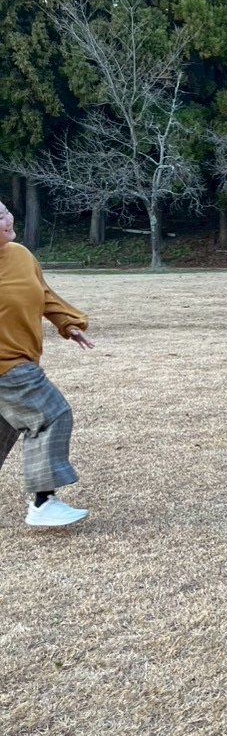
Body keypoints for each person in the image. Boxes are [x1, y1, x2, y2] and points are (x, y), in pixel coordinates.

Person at [0, 199, 94, 527]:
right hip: (8, 364)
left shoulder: (20, 255)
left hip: (21, 357)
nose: (8, 219)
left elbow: (43, 293)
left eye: (5, 211)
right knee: (51, 415)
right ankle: (43, 502)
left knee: (4, 429)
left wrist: (67, 323)